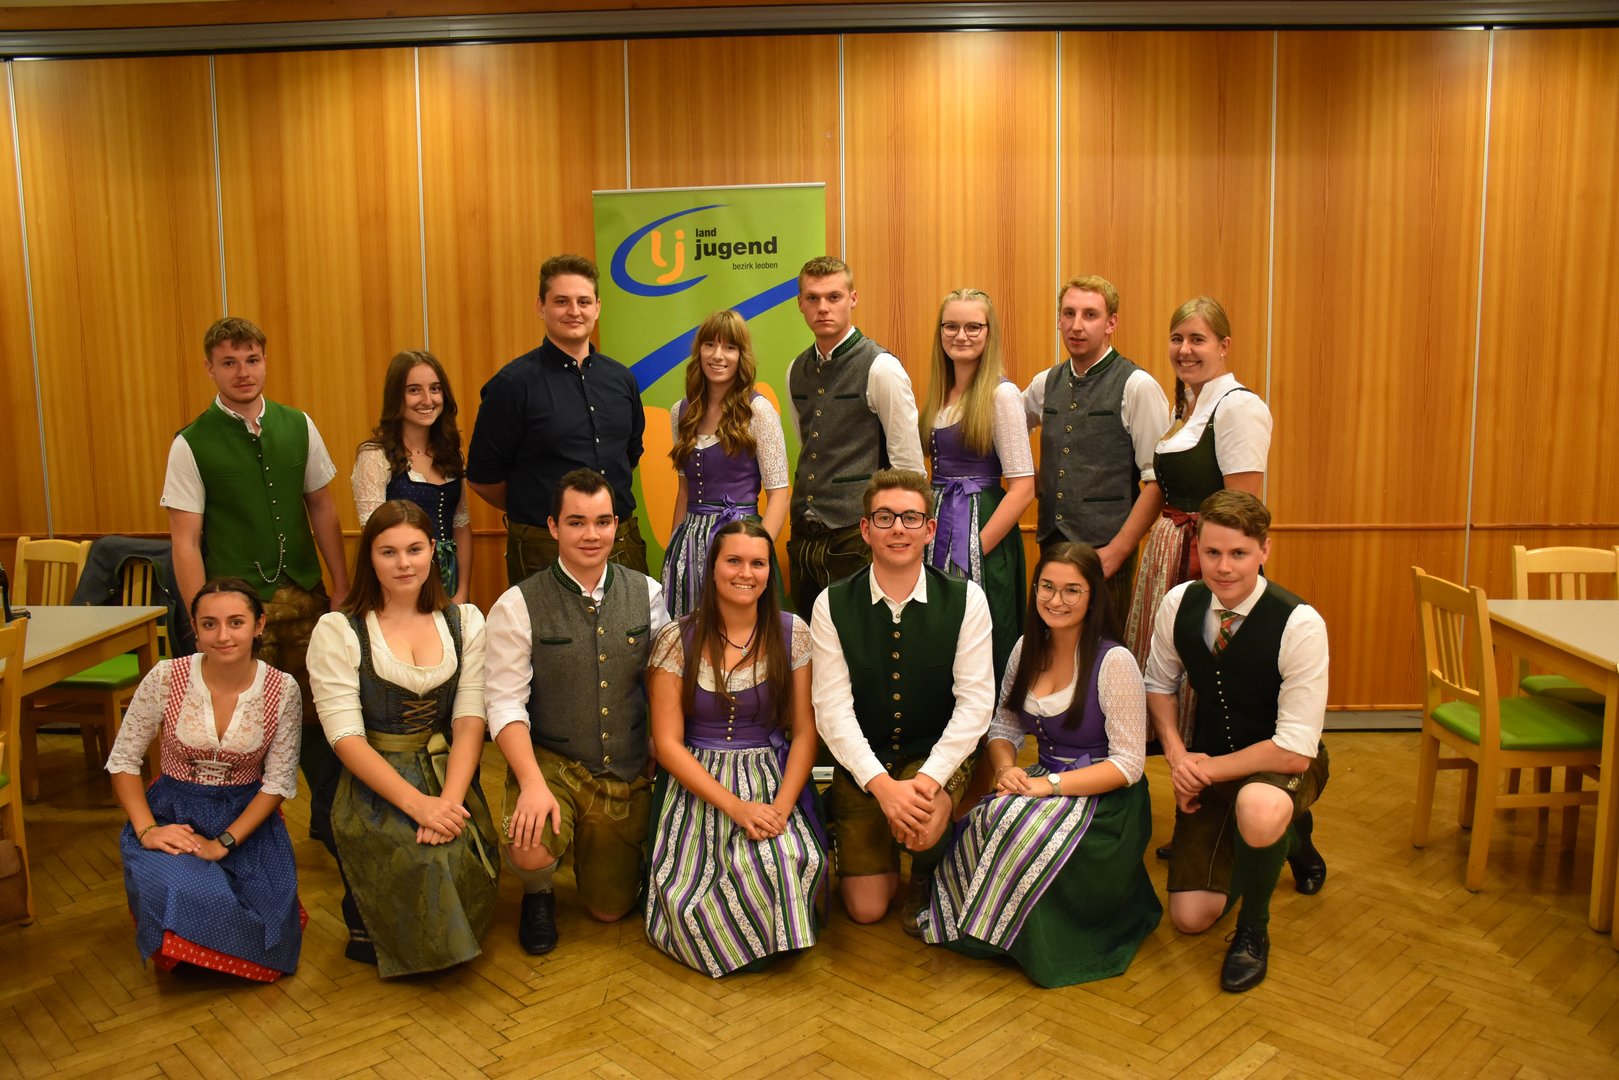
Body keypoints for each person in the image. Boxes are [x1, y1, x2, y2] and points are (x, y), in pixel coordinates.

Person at [921, 543, 1160, 986]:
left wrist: (1048, 786)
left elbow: (1129, 765)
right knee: (984, 818)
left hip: (1105, 799)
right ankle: (985, 927)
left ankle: (1038, 941)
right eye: (1047, 587)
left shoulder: (1114, 661)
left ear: (1093, 597)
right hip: (1044, 778)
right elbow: (1004, 726)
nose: (1056, 600)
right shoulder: (1026, 648)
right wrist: (1004, 769)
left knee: (1020, 828)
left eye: (1072, 590)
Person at [162, 316, 351, 840]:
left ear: (265, 360)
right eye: (229, 362)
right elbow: (185, 540)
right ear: (210, 368)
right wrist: (203, 618)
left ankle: (330, 822)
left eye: (251, 360)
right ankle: (248, 832)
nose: (242, 372)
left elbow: (323, 508)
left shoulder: (299, 425)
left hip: (307, 597)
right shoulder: (191, 443)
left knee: (321, 711)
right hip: (238, 610)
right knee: (246, 721)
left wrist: (340, 584)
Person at [1143, 490, 1329, 993]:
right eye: (1212, 552)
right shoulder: (1179, 603)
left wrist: (1201, 771)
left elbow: (1294, 749)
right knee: (1190, 917)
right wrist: (1177, 757)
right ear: (1198, 549)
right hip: (1209, 759)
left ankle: (1254, 930)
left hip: (1281, 766)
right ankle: (1287, 838)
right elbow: (1158, 685)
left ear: (1264, 550)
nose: (1224, 567)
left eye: (1239, 553)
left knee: (1260, 807)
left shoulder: (1300, 623)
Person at [307, 499, 498, 977]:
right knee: (418, 854)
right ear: (369, 557)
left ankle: (443, 940)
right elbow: (346, 738)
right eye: (388, 552)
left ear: (433, 550)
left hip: (444, 769)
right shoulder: (340, 630)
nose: (403, 563)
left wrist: (449, 802)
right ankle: (396, 941)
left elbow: (469, 720)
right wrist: (420, 807)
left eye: (414, 549)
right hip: (369, 781)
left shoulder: (465, 622)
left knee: (454, 847)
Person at [485, 468, 669, 955]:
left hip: (623, 765)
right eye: (576, 522)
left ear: (616, 525)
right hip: (553, 763)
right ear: (553, 527)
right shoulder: (516, 605)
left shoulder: (649, 594)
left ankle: (603, 852)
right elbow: (503, 702)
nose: (591, 534)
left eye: (602, 522)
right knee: (529, 845)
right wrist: (530, 782)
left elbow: (664, 683)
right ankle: (538, 891)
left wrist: (658, 738)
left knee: (610, 910)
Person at [810, 469, 994, 935]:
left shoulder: (967, 599)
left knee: (923, 826)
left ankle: (929, 870)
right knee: (866, 909)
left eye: (911, 518)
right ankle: (855, 826)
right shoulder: (831, 604)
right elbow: (832, 711)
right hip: (864, 765)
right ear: (865, 528)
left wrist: (927, 781)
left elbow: (975, 706)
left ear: (929, 530)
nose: (898, 528)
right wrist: (881, 786)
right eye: (885, 517)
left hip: (931, 757)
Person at [645, 521, 824, 975]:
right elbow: (667, 744)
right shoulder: (677, 638)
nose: (746, 573)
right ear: (712, 568)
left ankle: (770, 937)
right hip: (697, 781)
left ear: (769, 573)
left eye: (758, 563)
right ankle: (738, 941)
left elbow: (806, 733)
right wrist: (737, 807)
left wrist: (781, 809)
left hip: (770, 774)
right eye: (734, 561)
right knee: (695, 885)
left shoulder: (792, 633)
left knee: (785, 857)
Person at [105, 577, 303, 981]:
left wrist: (223, 843)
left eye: (236, 622)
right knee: (182, 886)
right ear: (194, 628)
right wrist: (147, 831)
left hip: (247, 820)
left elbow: (278, 782)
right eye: (209, 624)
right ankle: (187, 956)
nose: (223, 635)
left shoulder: (283, 689)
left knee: (268, 916)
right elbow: (123, 760)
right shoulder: (166, 677)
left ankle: (223, 955)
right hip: (173, 812)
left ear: (259, 625)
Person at [467, 254, 649, 586]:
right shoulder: (512, 385)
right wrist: (538, 504)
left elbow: (629, 456)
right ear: (541, 306)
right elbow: (483, 478)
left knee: (633, 622)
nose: (574, 311)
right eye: (561, 301)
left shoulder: (622, 380)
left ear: (597, 307)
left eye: (584, 301)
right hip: (542, 547)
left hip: (621, 543)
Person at [1124, 297, 1271, 672]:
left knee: (1197, 659)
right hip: (1168, 551)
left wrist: (1217, 567)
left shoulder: (1238, 407)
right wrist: (1116, 551)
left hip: (1204, 553)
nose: (1184, 350)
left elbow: (1241, 511)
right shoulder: (1184, 406)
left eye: (1197, 339)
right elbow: (1161, 487)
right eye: (1177, 339)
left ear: (1224, 346)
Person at [1022, 276, 1170, 621]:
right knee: (1051, 639)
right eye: (1069, 313)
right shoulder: (1045, 382)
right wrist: (1033, 480)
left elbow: (1158, 481)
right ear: (1059, 320)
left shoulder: (1137, 386)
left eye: (1090, 315)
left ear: (1111, 323)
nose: (1077, 325)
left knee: (1103, 643)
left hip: (1105, 553)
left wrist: (1117, 552)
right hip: (1051, 544)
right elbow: (1007, 433)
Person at [786, 256, 926, 616]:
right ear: (800, 303)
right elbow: (809, 447)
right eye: (813, 298)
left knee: (862, 636)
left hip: (857, 535)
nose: (823, 307)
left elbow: (909, 468)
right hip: (804, 538)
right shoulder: (795, 370)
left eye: (833, 297)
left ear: (853, 299)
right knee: (807, 638)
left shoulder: (881, 367)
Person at [919, 287, 1034, 683]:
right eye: (951, 326)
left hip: (982, 522)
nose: (961, 335)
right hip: (940, 522)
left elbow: (1023, 487)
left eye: (973, 327)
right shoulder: (940, 394)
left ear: (989, 332)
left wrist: (976, 546)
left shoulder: (1001, 394)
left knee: (984, 628)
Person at [662, 310, 789, 619]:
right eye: (710, 345)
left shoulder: (758, 411)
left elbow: (779, 493)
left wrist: (757, 554)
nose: (718, 355)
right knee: (689, 633)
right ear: (699, 351)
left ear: (741, 355)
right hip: (688, 547)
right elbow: (684, 490)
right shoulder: (681, 412)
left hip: (740, 540)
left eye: (729, 347)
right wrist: (673, 548)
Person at [353, 349, 473, 604]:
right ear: (396, 396)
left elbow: (461, 526)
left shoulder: (450, 453)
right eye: (414, 390)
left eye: (435, 389)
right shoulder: (375, 456)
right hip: (400, 579)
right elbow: (374, 536)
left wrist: (462, 591)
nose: (427, 399)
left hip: (449, 579)